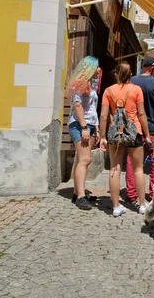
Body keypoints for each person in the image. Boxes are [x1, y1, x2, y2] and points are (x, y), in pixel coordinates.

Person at [99, 62, 153, 217]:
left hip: (115, 133)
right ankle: (142, 204)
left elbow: (103, 116)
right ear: (130, 75)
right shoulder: (136, 90)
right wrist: (147, 134)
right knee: (138, 169)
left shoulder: (108, 91)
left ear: (116, 74)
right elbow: (142, 114)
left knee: (115, 168)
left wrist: (103, 136)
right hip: (134, 131)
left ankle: (116, 206)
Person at [125, 56, 154, 205]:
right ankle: (153, 192)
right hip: (152, 127)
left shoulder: (131, 81)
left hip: (133, 128)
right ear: (151, 68)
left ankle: (132, 194)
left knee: (132, 162)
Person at [66, 56, 101, 210]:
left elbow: (92, 109)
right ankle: (80, 197)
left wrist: (97, 128)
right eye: (97, 67)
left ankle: (77, 192)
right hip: (80, 125)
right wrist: (84, 127)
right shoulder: (79, 84)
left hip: (90, 125)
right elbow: (78, 106)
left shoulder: (90, 84)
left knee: (83, 159)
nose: (99, 70)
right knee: (85, 160)